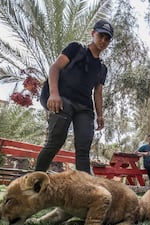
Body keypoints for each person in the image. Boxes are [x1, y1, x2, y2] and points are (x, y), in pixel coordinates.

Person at [35, 19, 113, 174]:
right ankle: (34, 181)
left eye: (107, 38)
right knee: (55, 141)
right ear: (93, 34)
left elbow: (98, 92)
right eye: (101, 36)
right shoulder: (76, 48)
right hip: (63, 100)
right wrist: (54, 94)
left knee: (83, 149)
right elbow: (55, 68)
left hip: (84, 107)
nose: (103, 40)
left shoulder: (102, 68)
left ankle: (84, 191)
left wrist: (100, 115)